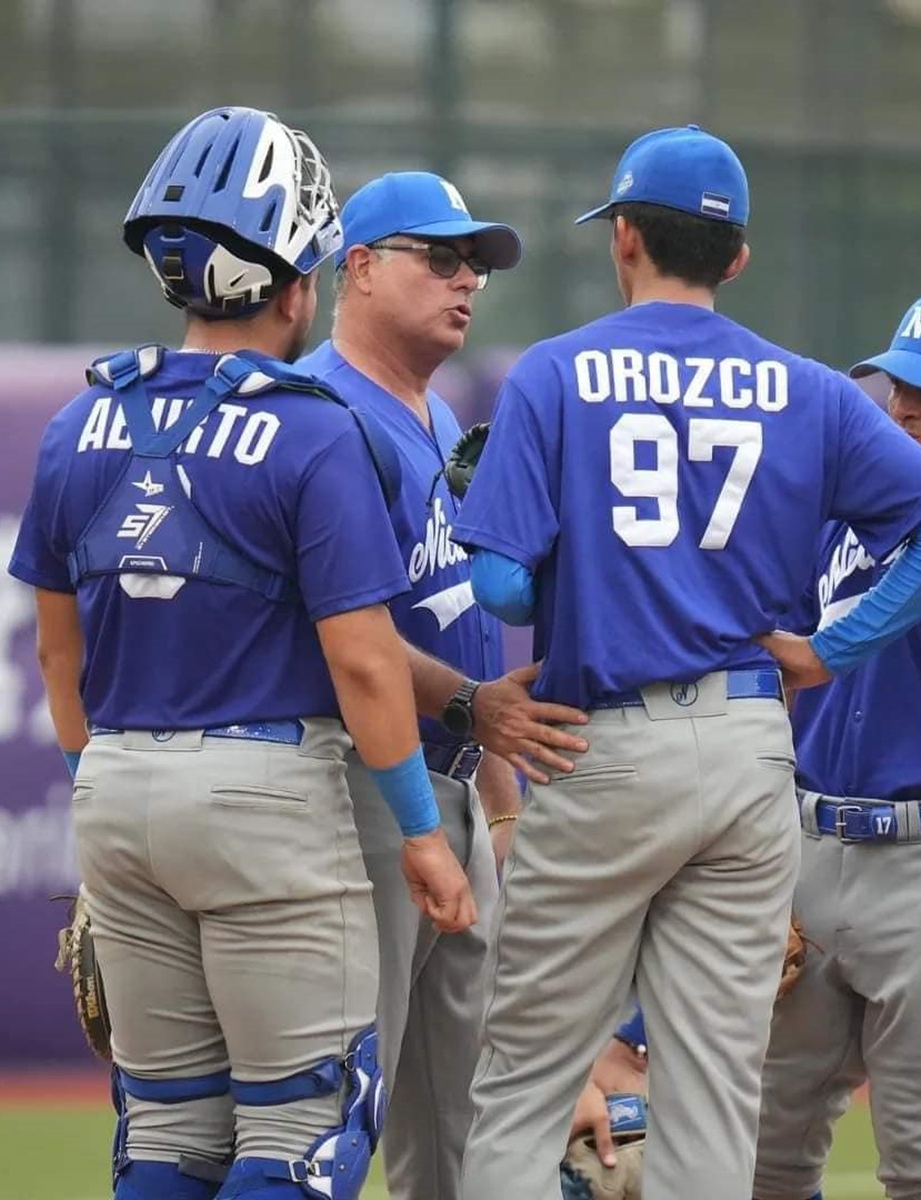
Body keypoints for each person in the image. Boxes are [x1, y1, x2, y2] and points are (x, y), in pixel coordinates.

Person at [449, 123, 921, 1198]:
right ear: (736, 256)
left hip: (599, 741)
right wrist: (831, 649)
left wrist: (572, 552)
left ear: (622, 240)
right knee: (713, 1094)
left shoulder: (556, 374)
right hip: (751, 752)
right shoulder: (810, 388)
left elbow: (503, 590)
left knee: (523, 1082)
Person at [7, 106, 477, 1200]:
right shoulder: (314, 427)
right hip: (266, 796)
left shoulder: (78, 423)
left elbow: (54, 657)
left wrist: (97, 790)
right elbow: (365, 664)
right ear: (298, 283)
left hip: (116, 787)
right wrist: (423, 834)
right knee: (303, 1135)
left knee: (167, 1140)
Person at [297, 170, 571, 1200]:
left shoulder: (433, 410)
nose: (467, 281)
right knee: (339, 1118)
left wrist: (499, 801)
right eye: (440, 257)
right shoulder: (323, 409)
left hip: (453, 792)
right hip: (364, 794)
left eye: (479, 266)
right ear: (356, 267)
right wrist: (468, 708)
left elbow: (456, 614)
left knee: (468, 1137)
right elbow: (344, 636)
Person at [752, 286, 921, 1200]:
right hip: (810, 850)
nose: (902, 406)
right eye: (896, 385)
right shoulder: (843, 522)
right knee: (760, 1157)